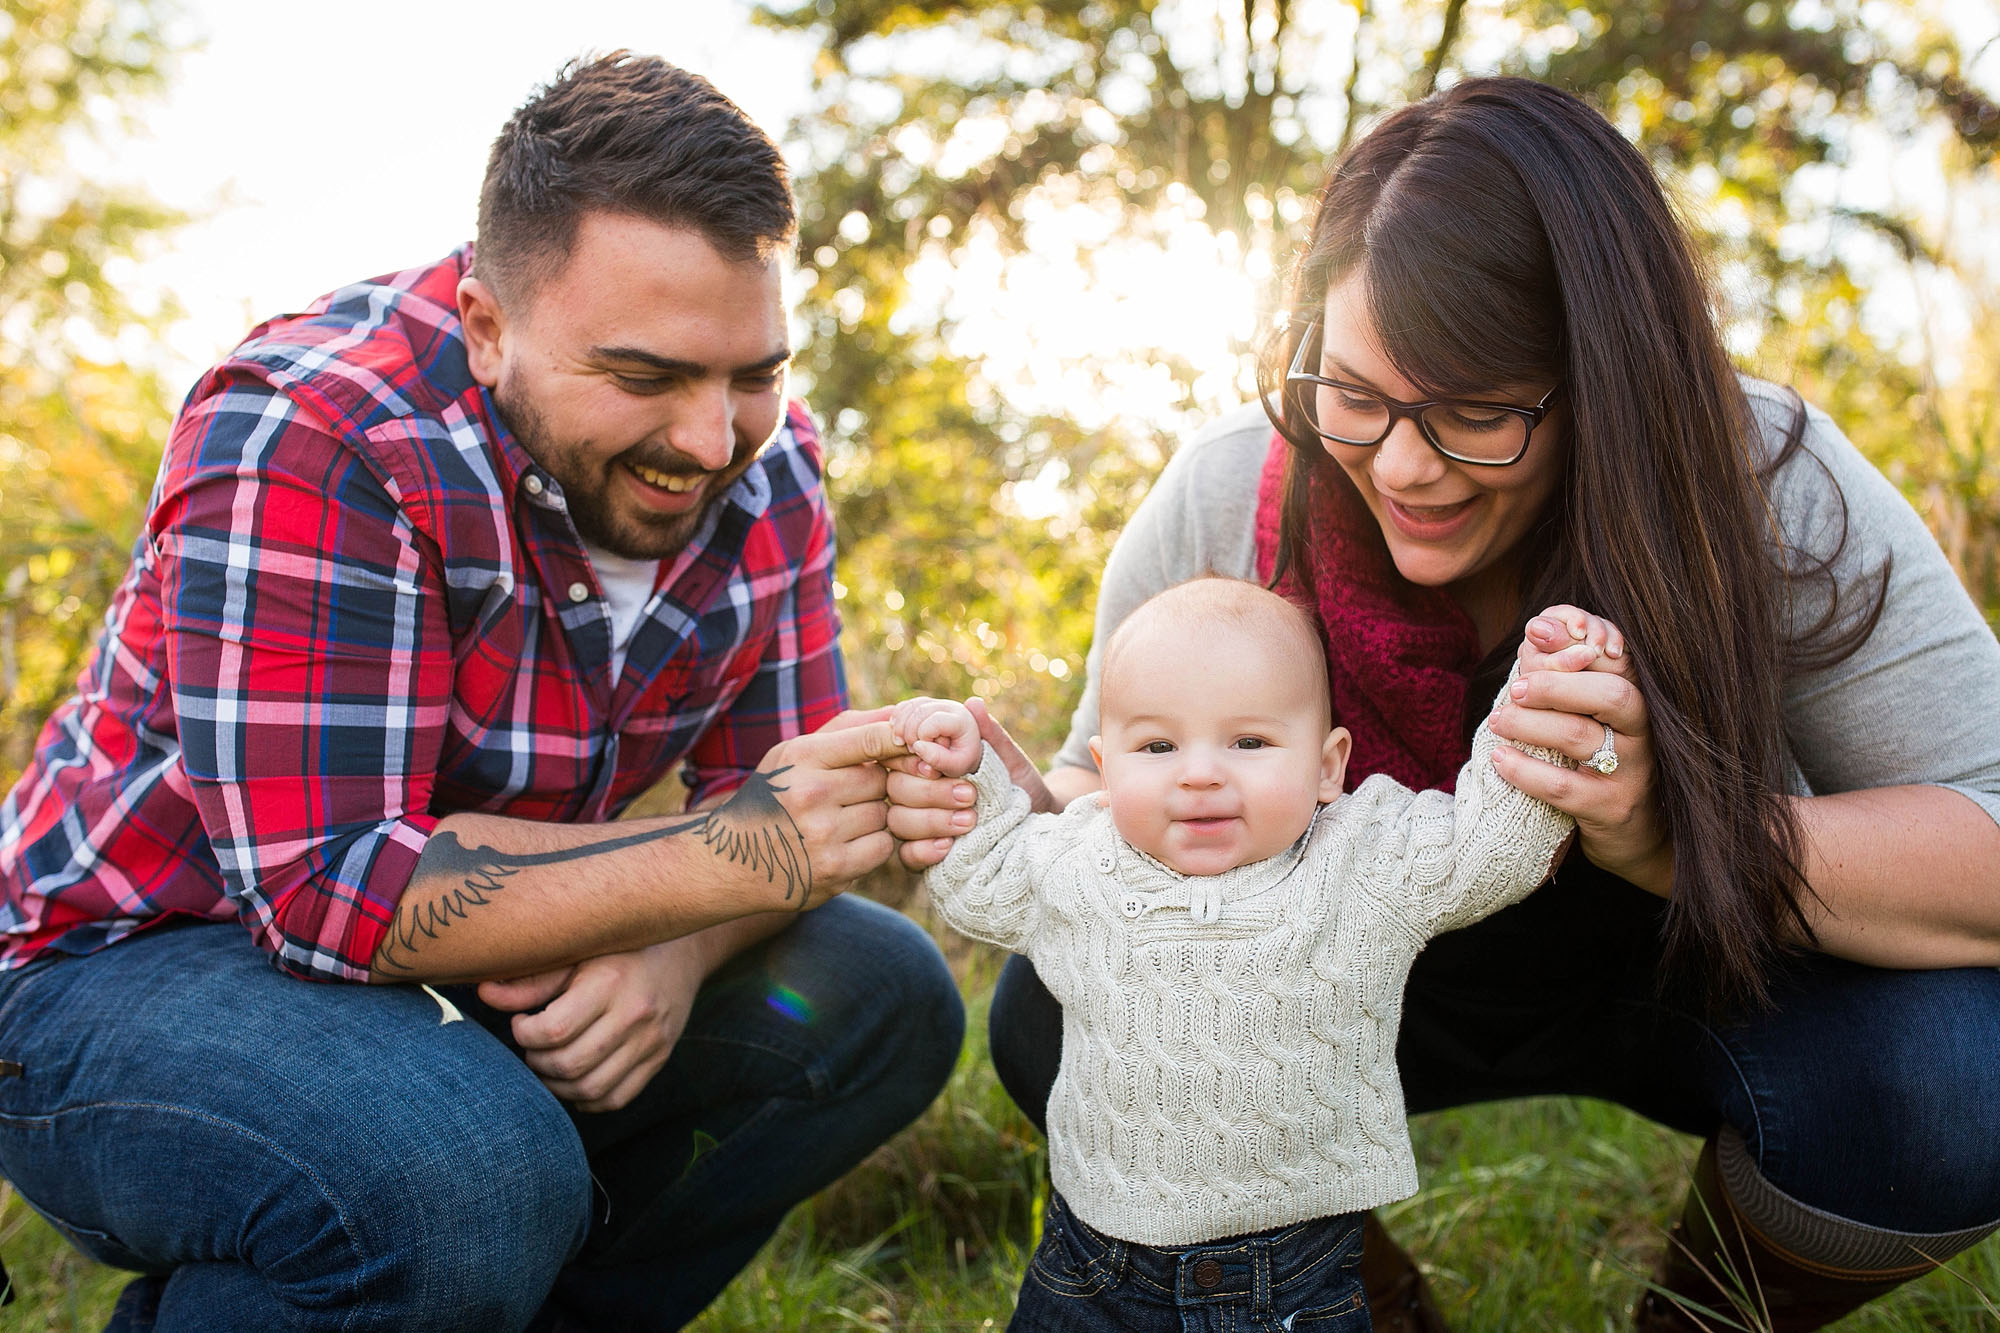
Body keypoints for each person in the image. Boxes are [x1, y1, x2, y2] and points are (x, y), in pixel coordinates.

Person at [887, 77, 2000, 1332]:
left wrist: (1670, 837)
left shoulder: (1762, 489)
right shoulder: (1224, 502)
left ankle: (1701, 1320)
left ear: (1605, 381)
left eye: (1475, 412)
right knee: (1059, 1004)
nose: (1403, 467)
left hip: (1703, 961)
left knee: (1957, 1073)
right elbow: (1099, 795)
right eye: (1353, 392)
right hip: (1330, 979)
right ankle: (1349, 1297)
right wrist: (1024, 810)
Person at [0, 53, 961, 1333]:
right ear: (487, 322)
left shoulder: (763, 460)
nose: (710, 436)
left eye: (752, 371)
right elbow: (323, 886)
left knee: (876, 991)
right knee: (456, 1166)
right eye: (644, 376)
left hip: (451, 980)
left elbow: (779, 807)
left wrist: (673, 950)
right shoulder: (317, 429)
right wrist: (731, 861)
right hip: (129, 969)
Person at [892, 577, 1608, 1331]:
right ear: (1106, 770)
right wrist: (957, 769)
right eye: (1158, 745)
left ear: (1329, 764)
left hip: (1295, 1278)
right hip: (1092, 1270)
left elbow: (1490, 847)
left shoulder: (1365, 859)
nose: (1200, 772)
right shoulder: (1077, 859)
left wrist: (1543, 693)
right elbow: (983, 872)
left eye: (1250, 742)